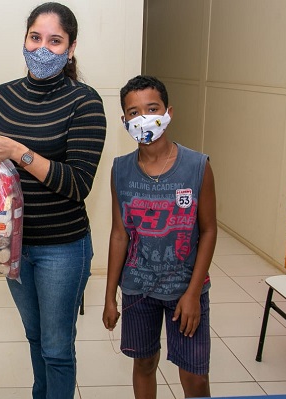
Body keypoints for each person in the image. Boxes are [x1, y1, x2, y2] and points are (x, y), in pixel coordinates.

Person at [0, 3, 107, 398]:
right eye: (36, 38)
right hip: (13, 244)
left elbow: (77, 184)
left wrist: (20, 151)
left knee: (56, 347)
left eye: (55, 41)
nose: (42, 49)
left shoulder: (84, 101)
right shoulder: (0, 97)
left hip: (62, 247)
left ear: (71, 48)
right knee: (34, 337)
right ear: (25, 39)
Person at [102, 75, 217, 399]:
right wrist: (111, 296)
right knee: (144, 364)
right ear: (125, 121)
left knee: (195, 377)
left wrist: (193, 293)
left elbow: (208, 230)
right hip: (138, 289)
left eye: (152, 109)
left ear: (168, 112)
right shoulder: (120, 169)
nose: (144, 119)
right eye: (134, 113)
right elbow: (119, 234)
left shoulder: (197, 166)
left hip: (185, 290)